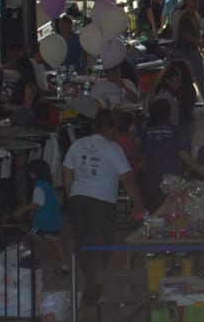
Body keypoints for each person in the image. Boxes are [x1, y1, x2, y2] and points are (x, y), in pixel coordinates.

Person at [62, 118, 144, 293]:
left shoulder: (77, 144)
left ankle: (90, 281)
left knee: (83, 243)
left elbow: (67, 171)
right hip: (102, 202)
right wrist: (137, 203)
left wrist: (71, 195)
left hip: (77, 199)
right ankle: (95, 285)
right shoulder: (113, 148)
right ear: (111, 129)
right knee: (102, 243)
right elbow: (127, 178)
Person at [138, 99, 195, 210]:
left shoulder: (145, 131)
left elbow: (142, 155)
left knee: (154, 209)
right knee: (171, 209)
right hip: (171, 177)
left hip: (152, 177)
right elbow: (183, 153)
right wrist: (197, 167)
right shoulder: (174, 130)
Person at [13, 159, 67, 274]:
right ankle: (64, 265)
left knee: (30, 240)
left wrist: (19, 212)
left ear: (34, 173)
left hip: (42, 222)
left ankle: (30, 261)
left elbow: (34, 204)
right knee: (57, 243)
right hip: (54, 220)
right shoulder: (48, 185)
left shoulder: (38, 186)